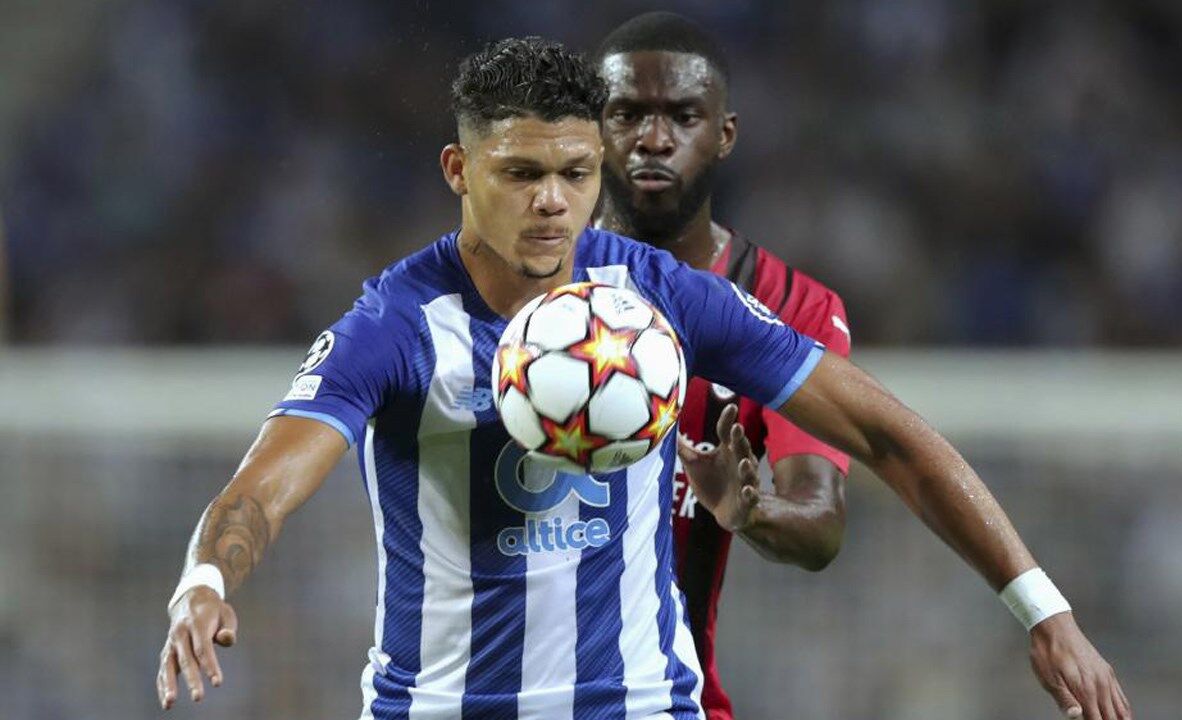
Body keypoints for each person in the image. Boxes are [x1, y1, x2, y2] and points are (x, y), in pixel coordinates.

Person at [157, 36, 1131, 720]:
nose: (553, 202)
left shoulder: (655, 297)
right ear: (459, 169)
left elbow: (885, 433)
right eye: (521, 173)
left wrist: (1041, 610)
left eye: (576, 173)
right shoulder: (398, 325)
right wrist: (205, 578)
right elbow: (261, 489)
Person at [595, 14, 850, 720]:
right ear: (593, 128)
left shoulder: (789, 307)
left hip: (669, 702)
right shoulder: (532, 286)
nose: (654, 139)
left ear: (725, 134)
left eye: (682, 117)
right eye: (628, 114)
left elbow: (822, 523)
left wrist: (751, 509)